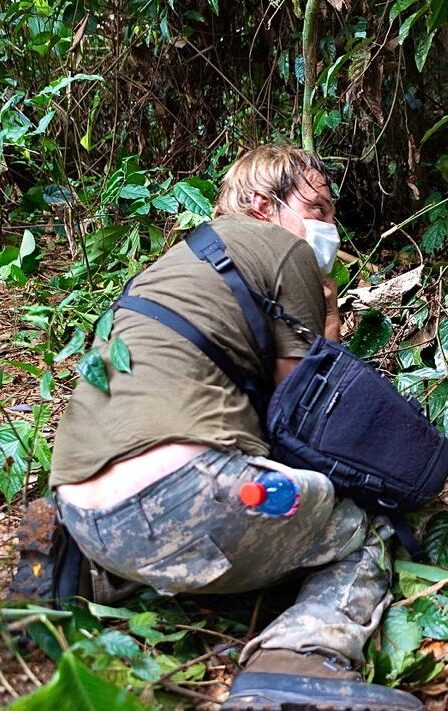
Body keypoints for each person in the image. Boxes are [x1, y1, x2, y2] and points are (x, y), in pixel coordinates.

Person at [47, 144, 423, 711]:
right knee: (361, 527)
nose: (330, 228)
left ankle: (94, 574)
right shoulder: (284, 249)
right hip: (195, 495)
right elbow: (312, 417)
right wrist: (329, 315)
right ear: (263, 204)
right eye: (317, 209)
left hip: (80, 508)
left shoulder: (174, 265)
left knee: (203, 507)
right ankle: (300, 659)